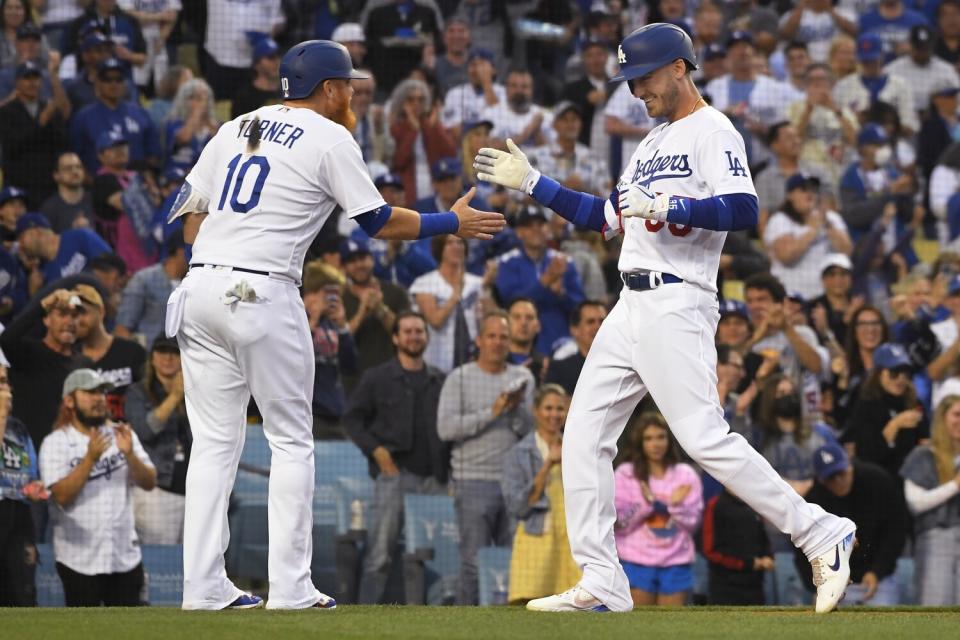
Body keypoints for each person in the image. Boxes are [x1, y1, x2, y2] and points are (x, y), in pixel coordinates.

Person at [473, 23, 857, 613]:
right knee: (582, 436)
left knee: (703, 437)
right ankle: (602, 579)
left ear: (680, 67)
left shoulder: (712, 130)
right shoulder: (649, 142)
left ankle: (819, 531)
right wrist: (532, 182)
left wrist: (672, 204)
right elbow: (603, 217)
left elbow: (745, 208)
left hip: (679, 299)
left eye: (644, 77)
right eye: (630, 80)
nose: (637, 90)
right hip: (630, 303)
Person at [166, 39, 503, 611]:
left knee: (213, 445)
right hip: (261, 289)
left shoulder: (235, 126)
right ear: (329, 89)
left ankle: (201, 587)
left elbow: (188, 215)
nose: (354, 95)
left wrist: (223, 251)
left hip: (198, 288)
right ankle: (291, 587)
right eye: (350, 85)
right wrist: (452, 221)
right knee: (292, 442)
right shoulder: (330, 135)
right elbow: (376, 221)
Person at [343, 311, 448, 604]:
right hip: (394, 478)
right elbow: (352, 418)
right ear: (395, 337)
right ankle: (364, 615)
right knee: (379, 554)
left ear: (427, 337)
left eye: (419, 331)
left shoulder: (440, 379)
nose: (414, 336)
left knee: (436, 554)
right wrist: (376, 451)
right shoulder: (377, 378)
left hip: (435, 480)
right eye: (408, 331)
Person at [437, 310, 535, 606]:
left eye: (503, 337)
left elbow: (531, 432)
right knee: (472, 562)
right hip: (472, 482)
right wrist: (492, 413)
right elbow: (446, 429)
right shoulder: (460, 378)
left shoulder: (523, 377)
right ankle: (465, 624)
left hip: (514, 483)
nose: (497, 342)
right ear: (479, 340)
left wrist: (515, 410)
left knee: (515, 561)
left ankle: (510, 626)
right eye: (491, 336)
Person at [39, 368, 156, 607]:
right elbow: (61, 496)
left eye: (102, 392)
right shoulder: (55, 442)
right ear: (69, 400)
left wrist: (130, 455)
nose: (99, 398)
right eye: (90, 392)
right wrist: (90, 459)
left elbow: (149, 481)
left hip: (123, 556)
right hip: (78, 559)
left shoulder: (122, 435)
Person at [798, 443, 907, 607]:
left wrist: (878, 571)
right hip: (832, 584)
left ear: (849, 465)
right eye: (830, 478)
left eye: (840, 473)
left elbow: (896, 530)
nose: (838, 481)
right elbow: (802, 549)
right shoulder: (814, 501)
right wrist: (819, 585)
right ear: (820, 479)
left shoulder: (877, 481)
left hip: (877, 580)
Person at [501, 383, 581, 604]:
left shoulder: (578, 449)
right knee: (527, 606)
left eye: (559, 409)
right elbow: (517, 506)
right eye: (548, 408)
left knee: (576, 609)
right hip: (535, 538)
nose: (554, 415)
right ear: (536, 411)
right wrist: (548, 465)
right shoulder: (517, 454)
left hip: (572, 541)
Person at [613, 412, 703, 606]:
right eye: (649, 438)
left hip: (676, 562)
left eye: (661, 437)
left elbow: (693, 524)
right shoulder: (626, 474)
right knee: (638, 628)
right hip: (635, 561)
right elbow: (620, 524)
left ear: (669, 440)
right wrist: (646, 504)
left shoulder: (685, 475)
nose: (656, 444)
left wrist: (674, 505)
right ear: (640, 442)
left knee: (671, 629)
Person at [0, 288, 90, 449]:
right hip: (26, 448)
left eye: (75, 316)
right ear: (46, 319)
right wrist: (42, 306)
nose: (69, 322)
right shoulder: (27, 352)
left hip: (68, 452)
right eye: (62, 314)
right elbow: (6, 339)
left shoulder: (84, 363)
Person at [124, 335, 190, 544]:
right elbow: (144, 430)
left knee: (192, 564)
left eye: (174, 352)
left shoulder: (196, 392)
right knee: (159, 563)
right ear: (152, 357)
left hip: (194, 490)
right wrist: (174, 397)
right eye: (161, 352)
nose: (167, 358)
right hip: (157, 490)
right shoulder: (138, 392)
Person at [495, 208, 586, 355]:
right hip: (521, 343)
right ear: (519, 232)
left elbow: (580, 307)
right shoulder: (507, 263)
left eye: (540, 225)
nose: (535, 230)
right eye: (529, 226)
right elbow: (509, 303)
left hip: (560, 340)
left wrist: (561, 294)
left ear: (547, 229)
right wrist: (545, 281)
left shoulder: (563, 261)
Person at [899, 394, 960, 605]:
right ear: (942, 419)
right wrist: (954, 485)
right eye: (956, 415)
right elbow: (916, 503)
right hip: (936, 538)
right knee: (935, 606)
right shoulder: (923, 455)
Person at [0, 360, 49, 607]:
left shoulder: (17, 428)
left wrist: (33, 488)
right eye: (0, 383)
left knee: (23, 594)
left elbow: (29, 475)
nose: (7, 388)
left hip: (18, 515)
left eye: (6, 381)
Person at [844, 343, 929, 480]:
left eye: (905, 373)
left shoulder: (913, 402)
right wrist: (895, 425)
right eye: (894, 373)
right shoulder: (865, 405)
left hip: (911, 479)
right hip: (878, 481)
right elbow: (868, 456)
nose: (901, 378)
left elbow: (925, 441)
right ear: (879, 374)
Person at [763, 173, 852, 300]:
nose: (810, 194)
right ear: (790, 195)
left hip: (824, 297)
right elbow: (786, 256)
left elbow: (846, 251)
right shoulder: (780, 220)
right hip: (791, 295)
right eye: (803, 190)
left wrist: (826, 223)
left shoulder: (830, 218)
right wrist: (812, 229)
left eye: (813, 190)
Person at [70, 57, 161, 173]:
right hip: (98, 185)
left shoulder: (140, 113)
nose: (114, 84)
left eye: (119, 79)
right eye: (107, 79)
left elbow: (154, 153)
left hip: (138, 184)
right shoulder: (83, 117)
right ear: (97, 82)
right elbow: (76, 157)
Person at [0, 59, 71, 207]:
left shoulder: (49, 108)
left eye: (36, 78)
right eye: (27, 78)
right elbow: (12, 147)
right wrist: (40, 123)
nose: (32, 83)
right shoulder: (7, 111)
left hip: (47, 183)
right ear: (17, 82)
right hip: (20, 183)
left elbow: (62, 142)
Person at [409, 234, 484, 373]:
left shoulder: (478, 284)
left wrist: (489, 289)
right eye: (450, 243)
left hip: (473, 363)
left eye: (460, 243)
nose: (456, 247)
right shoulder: (425, 283)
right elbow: (435, 321)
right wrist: (455, 294)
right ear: (440, 249)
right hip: (436, 364)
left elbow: (487, 323)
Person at [72, 283, 146, 421]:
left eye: (82, 312)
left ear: (101, 311)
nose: (77, 320)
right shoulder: (70, 359)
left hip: (130, 434)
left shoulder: (132, 352)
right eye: (73, 315)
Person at [301, 262, 358, 439]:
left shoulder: (331, 323)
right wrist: (312, 322)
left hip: (335, 410)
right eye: (328, 294)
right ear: (311, 294)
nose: (333, 300)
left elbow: (351, 366)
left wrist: (343, 327)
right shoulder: (295, 318)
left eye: (336, 295)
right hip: (307, 412)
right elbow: (291, 360)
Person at [114, 231, 187, 349]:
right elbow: (122, 329)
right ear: (180, 251)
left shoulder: (194, 283)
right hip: (149, 357)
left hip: (184, 358)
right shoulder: (144, 279)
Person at [702, 487, 774, 606]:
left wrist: (768, 556)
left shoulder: (754, 503)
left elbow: (763, 537)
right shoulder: (716, 505)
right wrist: (748, 563)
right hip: (725, 585)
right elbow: (710, 551)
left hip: (755, 584)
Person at [544, 301, 607, 396]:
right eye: (590, 322)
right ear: (574, 330)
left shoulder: (623, 364)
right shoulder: (559, 370)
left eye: (602, 321)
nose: (598, 327)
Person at [39, 152, 93, 233]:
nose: (75, 171)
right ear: (56, 175)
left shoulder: (95, 199)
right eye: (68, 168)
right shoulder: (49, 209)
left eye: (79, 167)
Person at [230, 35, 281, 119]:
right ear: (257, 64)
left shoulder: (287, 91)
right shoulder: (244, 97)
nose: (277, 62)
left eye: (278, 56)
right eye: (270, 57)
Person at [506, 297, 547, 383]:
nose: (523, 323)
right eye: (516, 317)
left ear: (538, 326)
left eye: (529, 318)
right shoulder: (494, 362)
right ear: (506, 324)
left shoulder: (545, 366)